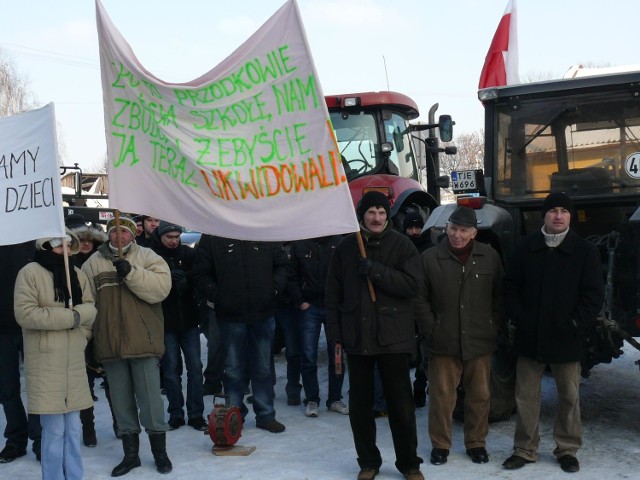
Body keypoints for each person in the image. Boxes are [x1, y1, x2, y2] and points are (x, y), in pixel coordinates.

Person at [501, 192, 604, 474]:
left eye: (564, 211)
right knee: (525, 396)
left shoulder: (584, 251)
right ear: (543, 215)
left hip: (566, 338)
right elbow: (510, 288)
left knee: (569, 396)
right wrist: (521, 319)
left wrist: (574, 325)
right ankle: (524, 448)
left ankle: (567, 449)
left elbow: (593, 295)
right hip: (529, 336)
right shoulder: (524, 248)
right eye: (553, 211)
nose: (559, 216)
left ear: (570, 216)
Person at [326, 191, 424, 480]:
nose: (377, 217)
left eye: (381, 212)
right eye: (371, 212)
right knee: (360, 407)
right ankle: (368, 461)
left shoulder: (402, 245)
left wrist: (376, 271)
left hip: (393, 338)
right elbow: (332, 295)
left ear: (388, 215)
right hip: (357, 338)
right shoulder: (346, 248)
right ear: (362, 215)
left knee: (401, 406)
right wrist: (335, 334)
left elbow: (412, 286)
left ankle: (409, 463)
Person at [81, 215, 173, 476]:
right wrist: (89, 339)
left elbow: (161, 289)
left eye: (124, 232)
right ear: (108, 235)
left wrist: (131, 273)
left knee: (151, 402)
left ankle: (160, 453)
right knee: (121, 404)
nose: (119, 237)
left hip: (143, 341)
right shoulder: (94, 263)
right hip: (110, 344)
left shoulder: (148, 257)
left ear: (133, 235)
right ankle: (130, 455)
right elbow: (88, 302)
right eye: (114, 232)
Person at [416, 206, 504, 466]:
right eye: (453, 229)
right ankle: (440, 445)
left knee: (480, 396)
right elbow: (419, 299)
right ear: (446, 229)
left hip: (479, 339)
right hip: (443, 340)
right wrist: (431, 329)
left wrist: (493, 325)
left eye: (463, 230)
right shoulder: (430, 258)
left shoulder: (489, 257)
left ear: (473, 233)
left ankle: (476, 443)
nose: (457, 234)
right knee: (442, 397)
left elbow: (499, 295)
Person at [14, 230, 97, 479]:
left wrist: (82, 335)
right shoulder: (30, 272)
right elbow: (26, 314)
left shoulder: (77, 273)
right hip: (45, 360)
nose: (65, 250)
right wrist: (71, 318)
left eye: (68, 245)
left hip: (72, 359)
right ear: (46, 246)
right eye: (59, 245)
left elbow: (90, 309)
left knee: (73, 428)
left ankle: (74, 476)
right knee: (54, 430)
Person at [192, 235, 289, 434]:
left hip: (263, 312)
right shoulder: (213, 235)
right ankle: (233, 416)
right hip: (230, 316)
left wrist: (274, 289)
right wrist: (217, 296)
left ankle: (266, 415)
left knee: (262, 368)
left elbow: (283, 265)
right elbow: (201, 272)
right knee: (233, 370)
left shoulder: (263, 231)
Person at [151, 221, 207, 432]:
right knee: (171, 371)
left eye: (176, 237)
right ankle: (176, 413)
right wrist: (167, 280)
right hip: (166, 322)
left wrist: (188, 281)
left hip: (189, 320)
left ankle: (196, 414)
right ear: (161, 237)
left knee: (195, 368)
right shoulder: (153, 255)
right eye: (169, 237)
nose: (174, 241)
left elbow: (201, 273)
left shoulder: (188, 253)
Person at [65, 213, 114, 447]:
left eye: (89, 240)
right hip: (79, 328)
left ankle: (120, 423)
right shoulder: (66, 264)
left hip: (105, 326)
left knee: (113, 382)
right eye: (80, 239)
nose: (85, 244)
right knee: (84, 383)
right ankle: (88, 429)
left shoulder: (103, 260)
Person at [289, 235, 348, 418]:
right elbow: (291, 275)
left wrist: (343, 303)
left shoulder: (339, 242)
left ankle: (335, 398)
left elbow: (347, 274)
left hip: (334, 307)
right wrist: (300, 301)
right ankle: (312, 399)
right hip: (310, 306)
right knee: (308, 355)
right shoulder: (300, 243)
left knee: (337, 355)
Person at [0, 242, 42, 463]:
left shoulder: (33, 240)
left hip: (32, 325)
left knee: (37, 388)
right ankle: (16, 440)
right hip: (2, 329)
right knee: (7, 390)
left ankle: (40, 439)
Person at [401, 211, 432, 408]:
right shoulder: (399, 248)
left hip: (423, 306)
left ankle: (419, 388)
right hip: (404, 306)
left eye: (417, 227)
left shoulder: (429, 249)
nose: (414, 232)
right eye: (410, 228)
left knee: (423, 353)